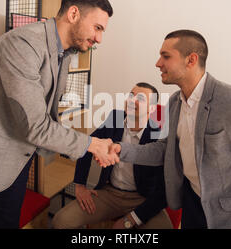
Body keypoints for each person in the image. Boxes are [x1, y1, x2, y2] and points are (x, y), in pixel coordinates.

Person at [0, 0, 115, 229]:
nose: (99, 39)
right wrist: (92, 145)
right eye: (98, 28)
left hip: (15, 165)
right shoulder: (23, 43)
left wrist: (89, 147)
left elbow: (45, 116)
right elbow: (36, 125)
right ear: (73, 13)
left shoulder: (65, 54)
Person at [108, 30, 231, 229]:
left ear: (191, 60)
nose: (158, 63)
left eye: (166, 56)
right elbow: (166, 150)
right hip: (192, 205)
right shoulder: (174, 102)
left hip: (230, 217)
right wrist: (123, 150)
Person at [52, 83, 173, 229]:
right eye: (130, 95)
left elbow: (164, 188)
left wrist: (130, 220)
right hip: (109, 193)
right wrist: (80, 185)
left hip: (142, 198)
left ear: (152, 108)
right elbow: (88, 145)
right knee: (61, 221)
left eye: (140, 98)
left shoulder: (159, 136)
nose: (131, 100)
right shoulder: (115, 117)